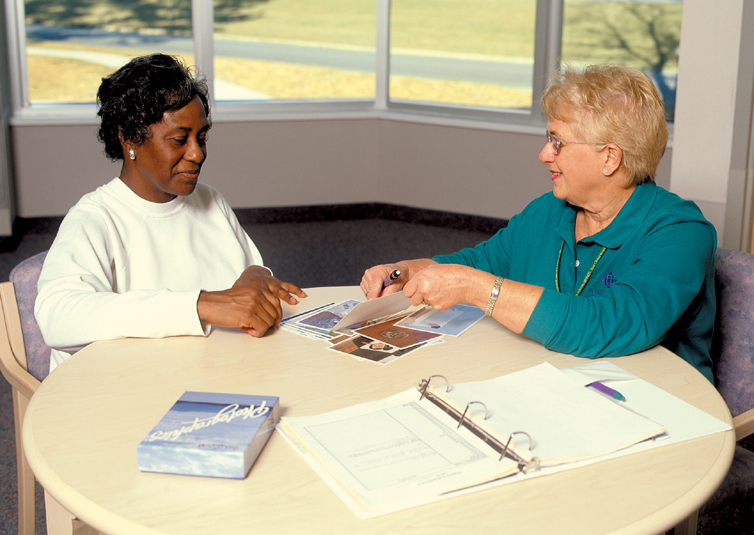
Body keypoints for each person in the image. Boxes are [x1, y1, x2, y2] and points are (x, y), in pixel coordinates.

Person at [361, 63, 717, 383]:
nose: (544, 154)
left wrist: (478, 289)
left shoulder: (681, 233)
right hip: (554, 388)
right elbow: (475, 264)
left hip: (660, 413)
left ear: (610, 157)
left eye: (557, 142)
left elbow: (607, 325)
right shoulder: (547, 211)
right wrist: (406, 272)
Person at [35, 54, 306, 373]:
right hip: (133, 390)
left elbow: (245, 280)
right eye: (179, 140)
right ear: (128, 138)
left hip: (213, 373)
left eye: (202, 137)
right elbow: (58, 317)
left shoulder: (209, 200)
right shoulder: (96, 218)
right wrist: (200, 305)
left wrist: (258, 275)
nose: (197, 154)